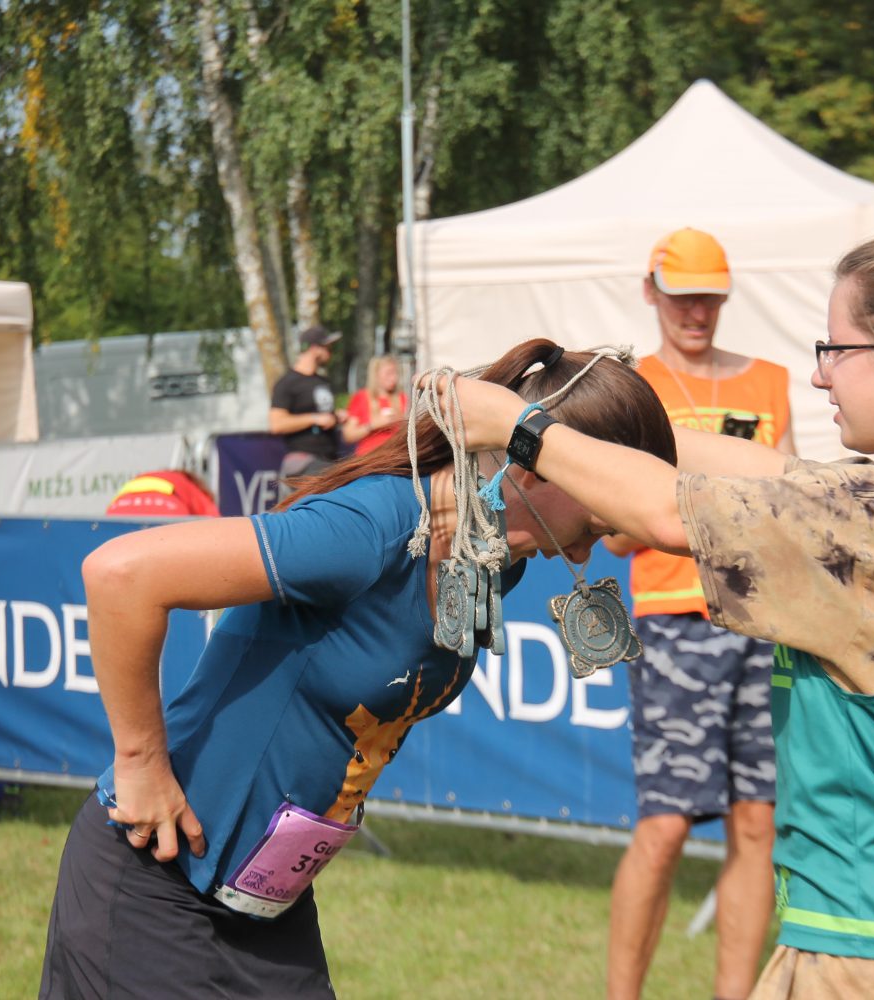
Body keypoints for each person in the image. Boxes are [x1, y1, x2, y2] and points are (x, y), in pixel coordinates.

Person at [439, 233, 874, 999]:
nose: (819, 373)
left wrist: (517, 426)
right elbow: (787, 474)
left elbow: (665, 515)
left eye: (836, 350)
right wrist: (622, 428)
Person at [39, 339, 677, 999]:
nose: (592, 549)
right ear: (534, 470)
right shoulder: (366, 532)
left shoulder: (495, 554)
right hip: (158, 878)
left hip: (267, 907)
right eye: (592, 523)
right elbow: (120, 576)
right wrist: (140, 762)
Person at [604, 228, 794, 1000]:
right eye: (682, 296)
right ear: (651, 292)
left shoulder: (772, 383)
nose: (696, 311)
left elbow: (792, 510)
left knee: (758, 824)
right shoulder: (631, 388)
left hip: (764, 622)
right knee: (666, 826)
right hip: (675, 622)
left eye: (710, 296)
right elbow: (614, 531)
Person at [269, 325, 344, 484]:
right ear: (315, 348)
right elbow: (277, 424)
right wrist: (314, 418)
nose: (330, 352)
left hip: (330, 458)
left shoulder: (322, 381)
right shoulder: (287, 383)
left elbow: (324, 414)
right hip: (303, 461)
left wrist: (337, 416)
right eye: (327, 347)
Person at [342, 354, 409, 456]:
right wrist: (373, 425)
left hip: (395, 457)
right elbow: (348, 436)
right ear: (376, 375)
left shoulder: (403, 398)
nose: (394, 378)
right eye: (389, 373)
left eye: (396, 373)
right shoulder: (362, 397)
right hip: (368, 458)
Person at [105, 469, 220, 517]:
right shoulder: (190, 484)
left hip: (115, 512)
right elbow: (214, 524)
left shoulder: (142, 478)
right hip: (169, 515)